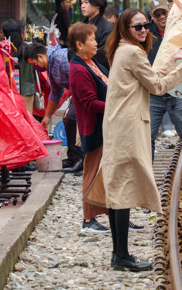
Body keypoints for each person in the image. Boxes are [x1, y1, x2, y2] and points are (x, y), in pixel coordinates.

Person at [102, 9, 182, 272]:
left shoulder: (122, 50)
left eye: (145, 25)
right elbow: (157, 86)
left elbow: (149, 74)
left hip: (118, 124)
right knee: (124, 188)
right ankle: (122, 256)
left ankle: (118, 254)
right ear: (125, 28)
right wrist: (181, 67)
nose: (143, 30)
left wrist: (172, 59)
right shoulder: (133, 52)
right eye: (137, 26)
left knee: (117, 188)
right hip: (128, 125)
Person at [146, 0, 182, 176]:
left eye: (164, 12)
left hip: (177, 88)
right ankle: (147, 175)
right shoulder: (146, 34)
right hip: (154, 91)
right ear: (152, 17)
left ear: (170, 10)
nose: (162, 17)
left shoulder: (181, 29)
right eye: (157, 14)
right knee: (148, 136)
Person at [66, 22, 111, 236]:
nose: (96, 43)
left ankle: (114, 215)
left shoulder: (91, 62)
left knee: (103, 171)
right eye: (92, 39)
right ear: (79, 44)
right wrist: (116, 106)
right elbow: (89, 103)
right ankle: (88, 219)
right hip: (93, 127)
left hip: (104, 125)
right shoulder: (78, 69)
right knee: (91, 172)